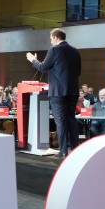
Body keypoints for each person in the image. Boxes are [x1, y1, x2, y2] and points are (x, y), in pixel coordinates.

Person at [27, 28, 81, 159]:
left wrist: (33, 60)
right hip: (73, 91)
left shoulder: (54, 50)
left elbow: (43, 67)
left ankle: (63, 151)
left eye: (51, 39)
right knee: (71, 119)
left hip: (58, 92)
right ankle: (75, 149)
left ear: (56, 37)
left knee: (61, 121)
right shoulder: (75, 51)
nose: (50, 41)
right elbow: (78, 72)